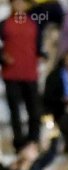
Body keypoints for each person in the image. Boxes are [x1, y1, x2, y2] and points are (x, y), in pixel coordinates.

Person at [1, 0, 44, 148]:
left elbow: (38, 46)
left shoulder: (34, 23)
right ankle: (19, 141)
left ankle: (34, 139)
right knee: (15, 111)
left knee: (34, 109)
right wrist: (3, 56)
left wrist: (40, 57)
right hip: (11, 74)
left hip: (30, 73)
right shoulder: (5, 24)